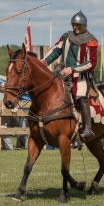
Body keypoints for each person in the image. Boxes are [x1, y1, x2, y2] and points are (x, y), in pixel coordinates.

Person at [41, 10, 98, 138]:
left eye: (77, 25)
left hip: (82, 76)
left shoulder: (91, 41)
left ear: (83, 26)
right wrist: (44, 61)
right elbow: (56, 50)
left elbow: (92, 63)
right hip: (63, 73)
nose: (75, 27)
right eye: (73, 24)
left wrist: (73, 69)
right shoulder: (66, 37)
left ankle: (87, 127)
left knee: (81, 95)